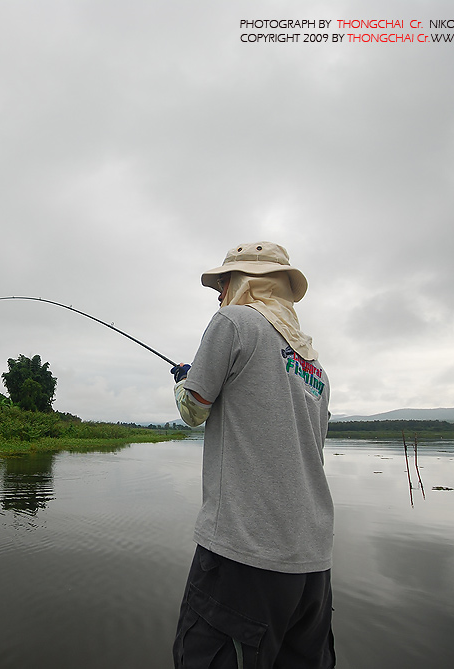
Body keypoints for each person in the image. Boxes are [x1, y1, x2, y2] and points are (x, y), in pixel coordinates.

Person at [171, 242, 335, 669]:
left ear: (245, 281)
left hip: (244, 555)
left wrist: (183, 382)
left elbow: (193, 410)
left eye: (223, 282)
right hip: (312, 569)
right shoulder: (314, 365)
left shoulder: (234, 321)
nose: (219, 292)